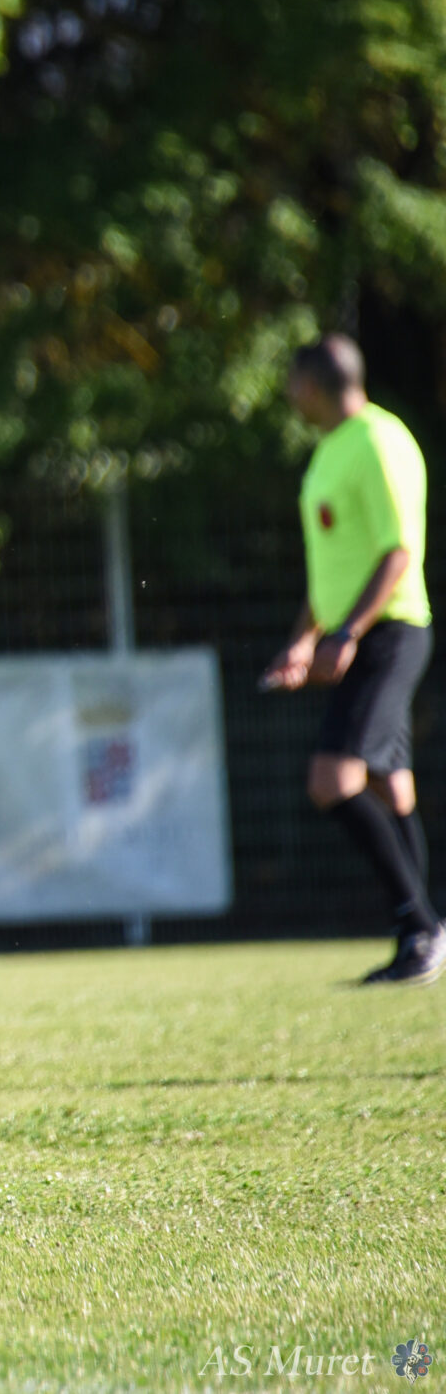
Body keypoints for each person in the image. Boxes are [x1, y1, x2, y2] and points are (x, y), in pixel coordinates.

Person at [260, 333, 441, 984]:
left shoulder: (379, 441)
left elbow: (398, 551)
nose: (289, 394)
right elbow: (334, 569)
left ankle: (422, 928)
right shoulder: (330, 449)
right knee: (391, 786)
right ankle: (417, 938)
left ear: (311, 385)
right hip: (359, 633)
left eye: (292, 382)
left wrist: (348, 634)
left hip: (389, 632)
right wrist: (305, 637)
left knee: (331, 780)